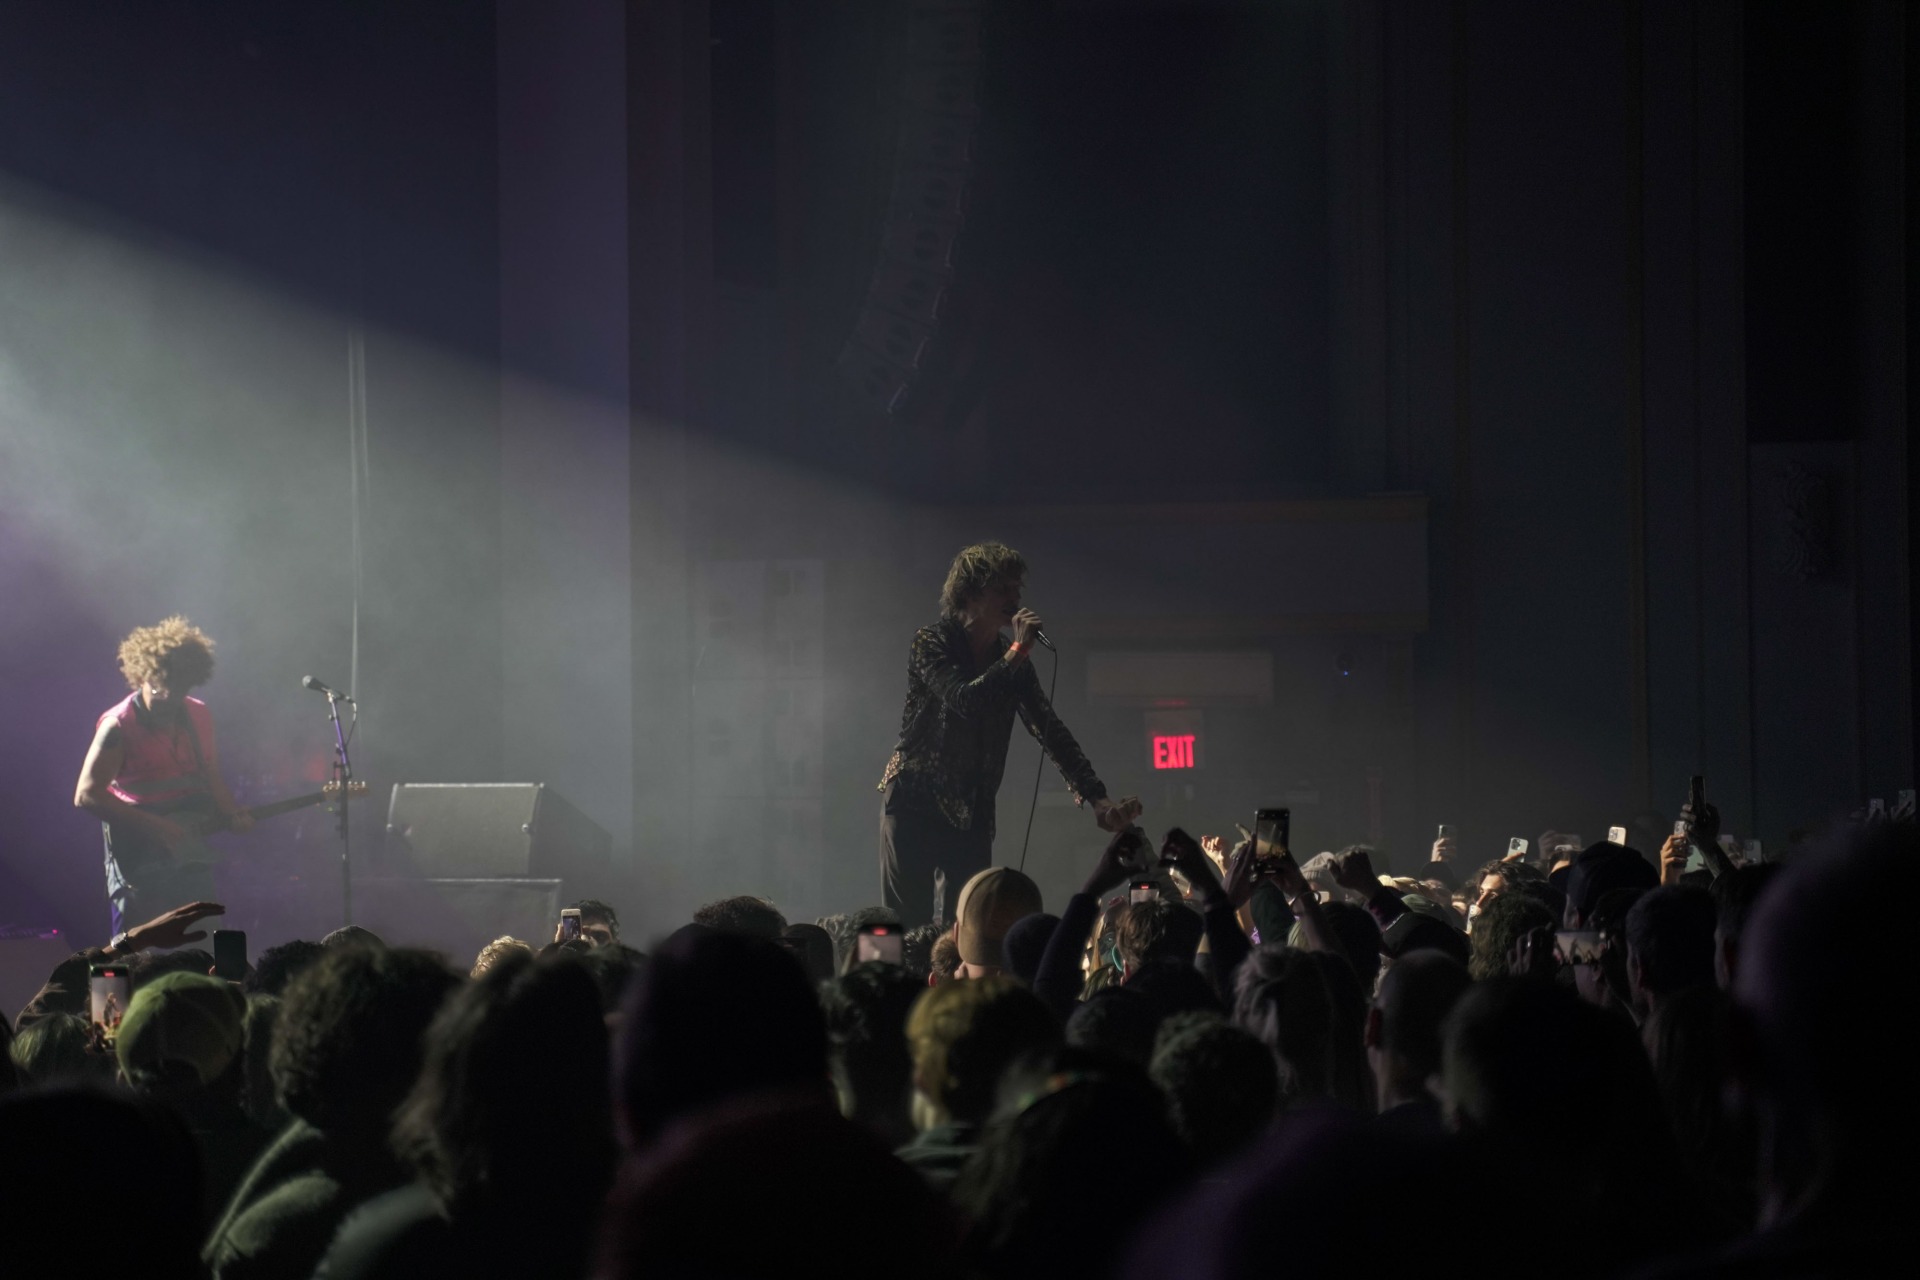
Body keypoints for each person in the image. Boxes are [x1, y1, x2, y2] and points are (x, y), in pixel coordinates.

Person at [877, 541, 1141, 923]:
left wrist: (1096, 797)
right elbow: (964, 699)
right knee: (907, 925)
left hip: (973, 810)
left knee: (967, 925)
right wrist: (1016, 651)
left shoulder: (1012, 658)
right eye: (1003, 588)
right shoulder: (931, 642)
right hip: (914, 801)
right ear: (969, 593)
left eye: (1017, 589)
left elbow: (1049, 729)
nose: (1016, 599)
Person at [74, 617, 254, 933]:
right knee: (139, 949)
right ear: (142, 675)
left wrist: (233, 813)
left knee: (203, 942)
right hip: (139, 858)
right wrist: (156, 826)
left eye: (179, 688)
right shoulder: (118, 725)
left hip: (190, 851)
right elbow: (86, 795)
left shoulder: (198, 714)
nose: (169, 697)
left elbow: (211, 774)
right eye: (161, 687)